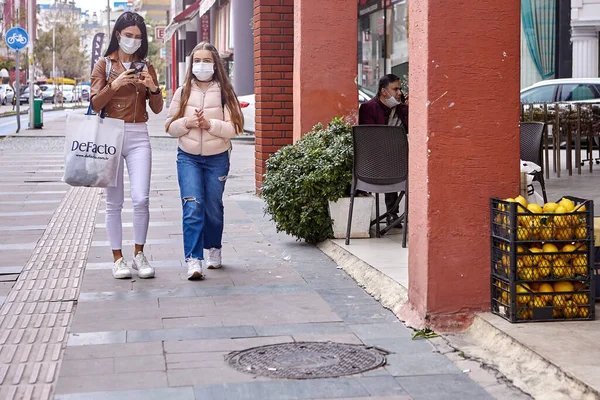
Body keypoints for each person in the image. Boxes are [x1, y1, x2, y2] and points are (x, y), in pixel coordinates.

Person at [90, 11, 164, 279]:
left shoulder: (146, 66)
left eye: (137, 37)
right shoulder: (104, 66)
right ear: (118, 34)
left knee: (142, 198)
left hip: (138, 134)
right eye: (128, 35)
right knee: (114, 202)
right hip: (111, 134)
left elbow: (157, 109)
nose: (132, 40)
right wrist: (115, 83)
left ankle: (139, 255)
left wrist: (153, 88)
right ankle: (117, 258)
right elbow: (95, 103)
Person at [165, 42, 244, 280]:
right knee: (192, 206)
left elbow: (235, 127)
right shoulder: (183, 92)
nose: (201, 65)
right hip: (187, 157)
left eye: (206, 61)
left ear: (215, 64)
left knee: (212, 207)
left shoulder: (226, 92)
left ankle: (214, 249)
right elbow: (169, 126)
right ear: (191, 65)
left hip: (217, 158)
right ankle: (193, 259)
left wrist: (209, 125)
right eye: (197, 60)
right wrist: (188, 123)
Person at [358, 74, 408, 225]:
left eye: (400, 89)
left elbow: (413, 128)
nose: (399, 93)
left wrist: (409, 108)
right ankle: (392, 213)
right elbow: (370, 141)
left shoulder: (400, 108)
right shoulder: (368, 108)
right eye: (395, 89)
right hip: (375, 163)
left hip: (397, 160)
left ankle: (394, 214)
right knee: (391, 160)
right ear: (384, 92)